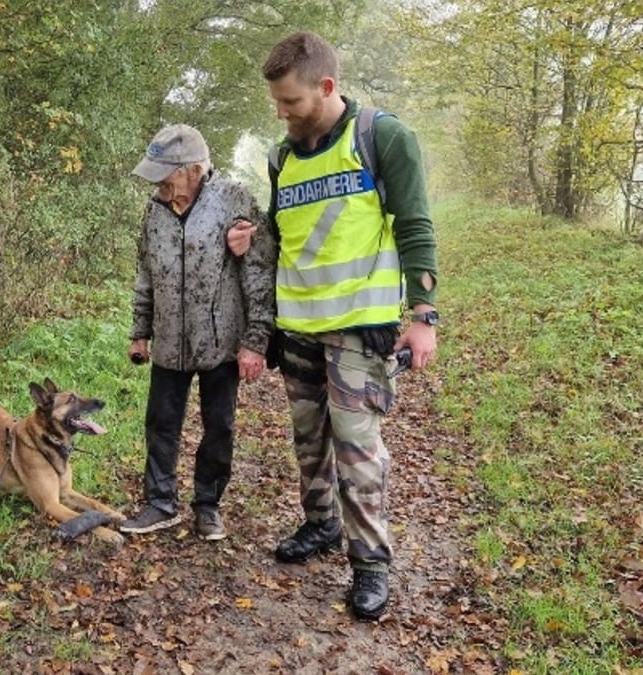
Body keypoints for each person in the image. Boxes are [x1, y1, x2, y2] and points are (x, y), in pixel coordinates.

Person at [227, 32, 439, 620]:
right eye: (275, 102)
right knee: (309, 442)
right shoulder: (282, 157)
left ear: (326, 88)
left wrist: (423, 316)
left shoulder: (381, 137)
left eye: (291, 102)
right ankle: (320, 525)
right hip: (298, 328)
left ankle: (370, 562)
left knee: (357, 448)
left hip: (358, 327)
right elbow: (287, 227)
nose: (281, 113)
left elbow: (415, 224)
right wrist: (256, 237)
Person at [120, 123, 276, 542]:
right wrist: (140, 331)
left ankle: (208, 505)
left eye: (164, 174)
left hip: (221, 341)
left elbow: (259, 272)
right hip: (169, 338)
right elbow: (145, 275)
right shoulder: (154, 211)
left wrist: (255, 341)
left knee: (219, 425)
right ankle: (160, 502)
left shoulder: (233, 200)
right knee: (160, 422)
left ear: (191, 170)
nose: (158, 183)